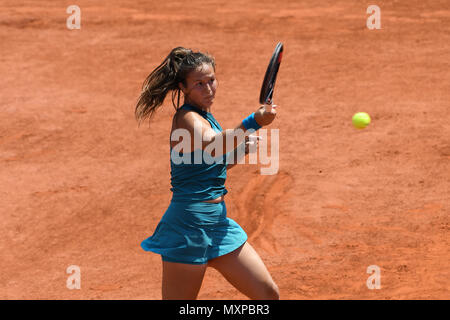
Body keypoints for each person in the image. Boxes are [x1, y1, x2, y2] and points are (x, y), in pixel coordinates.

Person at [135, 47, 279, 300]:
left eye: (211, 80)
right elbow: (213, 144)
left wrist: (239, 152)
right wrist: (252, 122)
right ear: (184, 87)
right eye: (199, 84)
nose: (208, 88)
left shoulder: (207, 118)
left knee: (267, 295)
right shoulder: (187, 118)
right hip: (188, 227)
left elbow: (213, 162)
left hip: (218, 225)